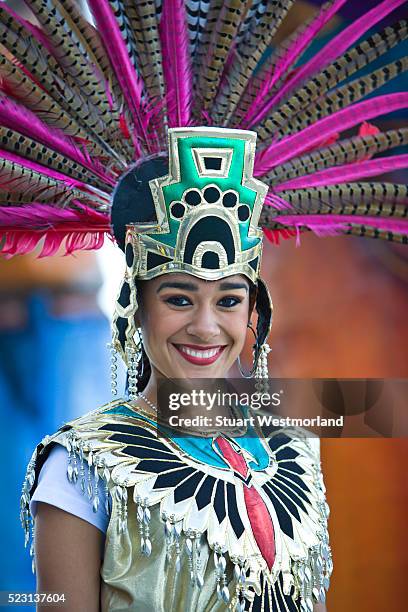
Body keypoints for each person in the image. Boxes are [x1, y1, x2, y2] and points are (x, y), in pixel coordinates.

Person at [0, 1, 405, 611]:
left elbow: (378, 406)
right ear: (137, 306)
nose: (206, 324)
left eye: (229, 298)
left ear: (256, 312)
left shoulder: (295, 447)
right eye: (179, 297)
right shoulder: (79, 469)